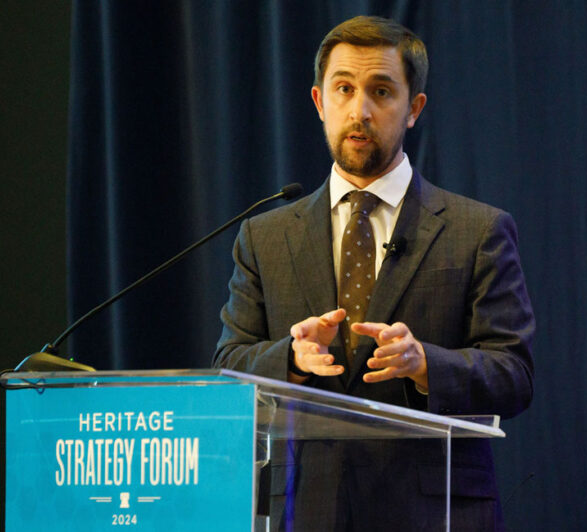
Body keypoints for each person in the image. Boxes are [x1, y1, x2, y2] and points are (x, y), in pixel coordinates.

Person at [215, 15, 534, 531]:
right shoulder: (265, 237)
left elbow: (514, 375)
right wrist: (291, 360)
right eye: (344, 89)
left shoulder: (478, 231)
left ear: (414, 109)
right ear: (320, 102)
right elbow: (229, 363)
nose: (359, 110)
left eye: (381, 91)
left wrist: (424, 363)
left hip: (432, 512)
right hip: (304, 509)